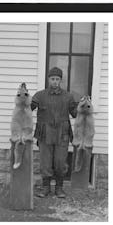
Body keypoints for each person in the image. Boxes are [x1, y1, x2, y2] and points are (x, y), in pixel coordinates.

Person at [31, 67, 77, 198]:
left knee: (60, 162)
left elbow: (75, 114)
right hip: (44, 134)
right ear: (48, 79)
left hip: (62, 134)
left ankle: (59, 188)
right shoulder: (39, 95)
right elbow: (27, 109)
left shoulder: (68, 96)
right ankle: (45, 188)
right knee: (45, 162)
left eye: (57, 79)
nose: (55, 82)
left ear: (61, 80)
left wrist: (84, 107)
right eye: (52, 79)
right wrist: (22, 99)